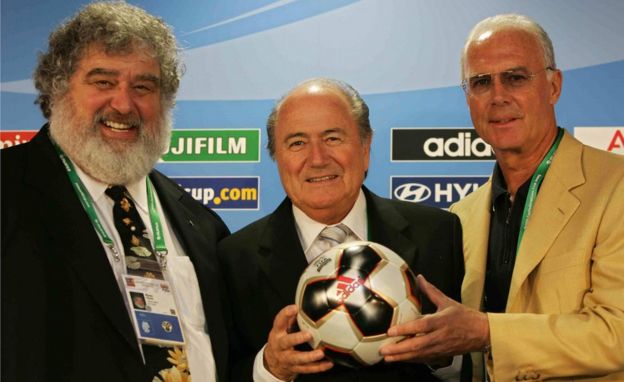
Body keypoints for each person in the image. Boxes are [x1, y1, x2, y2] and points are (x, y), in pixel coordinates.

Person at [379, 13, 624, 381]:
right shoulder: (460, 215)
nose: (497, 96)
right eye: (481, 82)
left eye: (515, 77)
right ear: (468, 97)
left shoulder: (615, 186)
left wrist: (486, 332)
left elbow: (616, 335)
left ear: (554, 86)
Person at [0, 3, 231, 381]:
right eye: (103, 82)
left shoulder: (201, 224)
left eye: (143, 87)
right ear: (58, 88)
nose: (123, 104)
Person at [217, 77, 466, 382]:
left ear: (365, 146)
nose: (318, 159)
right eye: (297, 143)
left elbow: (471, 364)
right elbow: (216, 369)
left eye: (333, 138)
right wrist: (270, 368)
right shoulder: (233, 258)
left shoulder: (439, 233)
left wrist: (444, 354)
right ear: (277, 158)